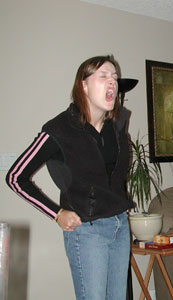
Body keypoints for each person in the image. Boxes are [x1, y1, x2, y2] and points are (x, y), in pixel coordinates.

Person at [6, 55, 135, 300]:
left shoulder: (116, 125)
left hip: (120, 226)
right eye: (103, 76)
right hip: (87, 232)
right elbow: (15, 177)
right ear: (83, 85)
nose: (112, 83)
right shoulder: (59, 129)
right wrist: (56, 213)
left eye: (115, 78)